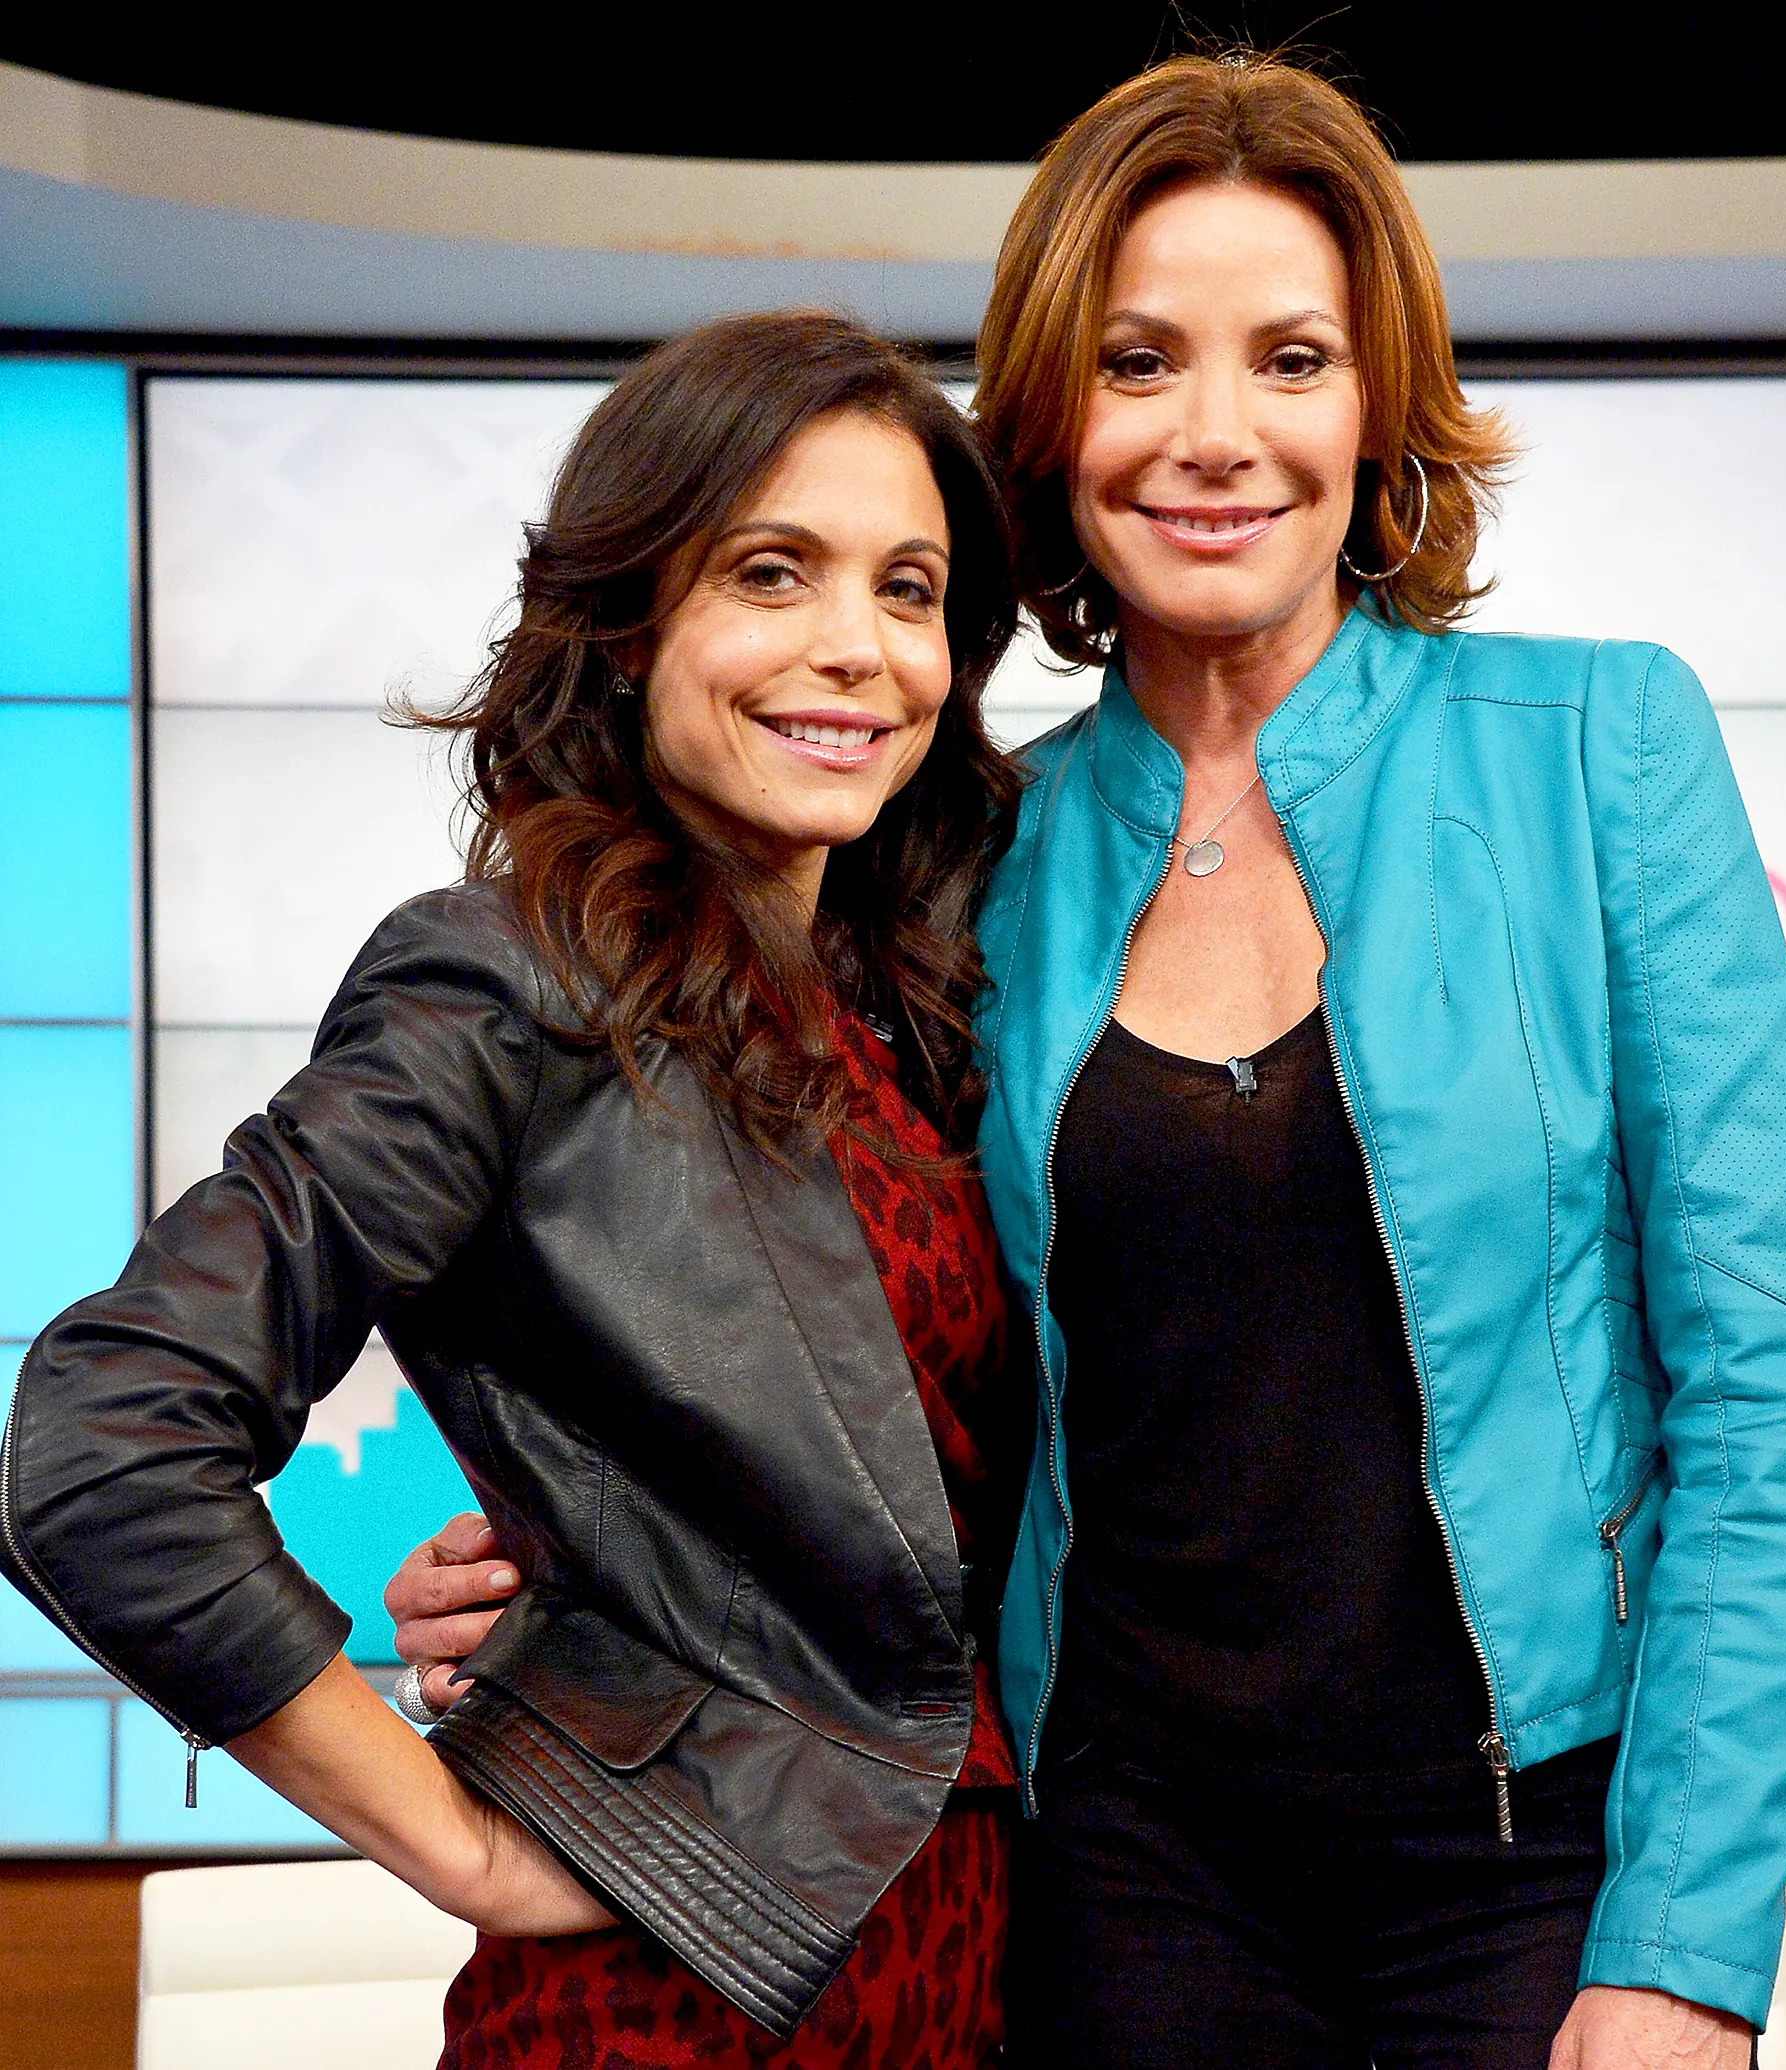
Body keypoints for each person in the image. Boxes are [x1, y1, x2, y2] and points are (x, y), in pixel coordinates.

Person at [390, 53, 1786, 2070]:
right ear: (1053, 423)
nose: (1215, 433)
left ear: (1375, 405)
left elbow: (1760, 1390)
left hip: (1537, 1858)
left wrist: (1684, 1945)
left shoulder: (1600, 748)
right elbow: (853, 1372)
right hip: (1127, 1874)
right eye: (1141, 361)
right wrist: (577, 1565)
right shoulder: (958, 856)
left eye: (1292, 359)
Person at [0, 311, 1028, 2070]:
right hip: (675, 1994)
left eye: (909, 589)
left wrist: (582, 1591)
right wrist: (453, 1836)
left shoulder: (903, 1016)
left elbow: (863, 1528)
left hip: (961, 1955)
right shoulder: (506, 982)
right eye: (772, 572)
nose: (857, 647)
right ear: (628, 625)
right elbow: (104, 1441)